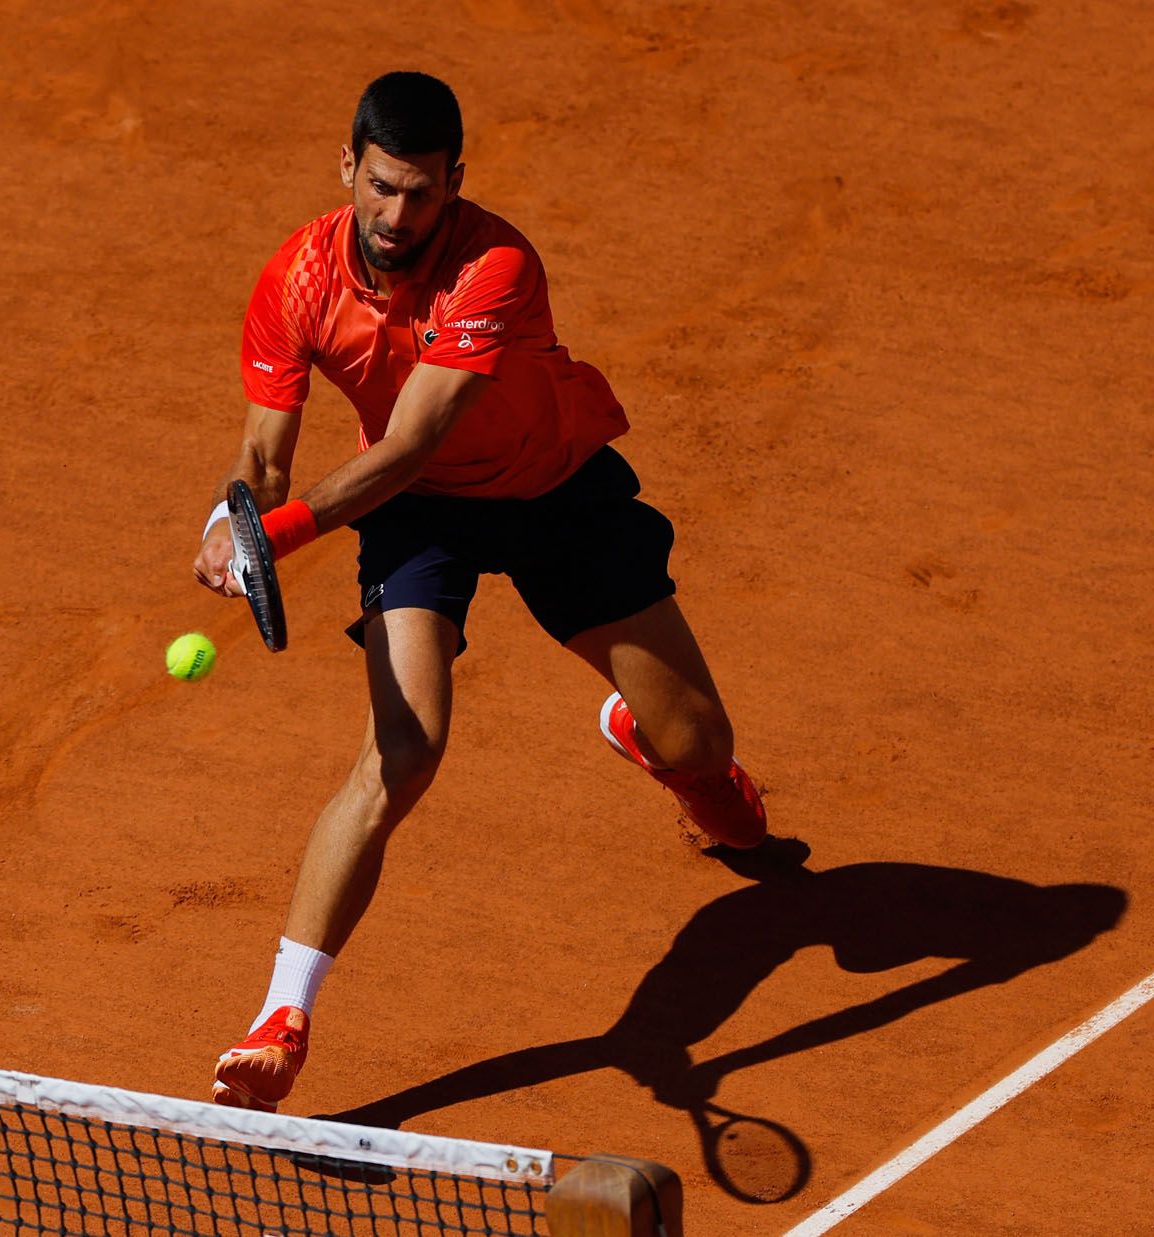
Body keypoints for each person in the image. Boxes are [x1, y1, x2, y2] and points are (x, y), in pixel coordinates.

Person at [193, 71, 769, 1113]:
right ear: (346, 167)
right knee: (401, 751)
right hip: (419, 522)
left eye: (419, 194)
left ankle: (660, 750)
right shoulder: (294, 280)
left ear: (454, 182)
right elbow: (261, 454)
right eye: (378, 188)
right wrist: (228, 520)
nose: (394, 216)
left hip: (551, 492)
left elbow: (413, 442)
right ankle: (281, 1015)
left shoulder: (493, 266)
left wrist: (270, 536)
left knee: (706, 761)